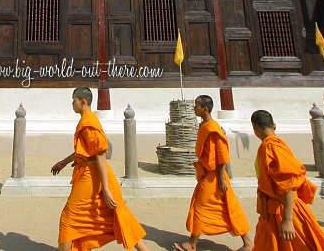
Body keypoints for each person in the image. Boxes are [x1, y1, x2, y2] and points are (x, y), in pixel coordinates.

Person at [51, 87, 149, 251]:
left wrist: (105, 188)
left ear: (83, 102)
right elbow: (84, 151)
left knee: (69, 218)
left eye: (74, 100)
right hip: (89, 173)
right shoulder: (87, 119)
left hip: (92, 176)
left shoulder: (89, 122)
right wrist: (63, 162)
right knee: (117, 216)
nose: (72, 104)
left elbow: (100, 156)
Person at [173, 95, 253, 251]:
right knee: (229, 207)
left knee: (200, 206)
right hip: (208, 173)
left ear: (205, 109)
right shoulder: (205, 126)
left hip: (215, 175)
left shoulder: (213, 129)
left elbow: (222, 156)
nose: (194, 108)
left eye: (196, 106)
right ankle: (248, 242)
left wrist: (222, 179)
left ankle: (191, 243)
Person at [251, 110, 324, 250]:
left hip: (285, 210)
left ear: (255, 128)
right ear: (274, 126)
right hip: (272, 211)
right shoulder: (274, 145)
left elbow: (288, 184)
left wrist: (287, 220)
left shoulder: (272, 147)